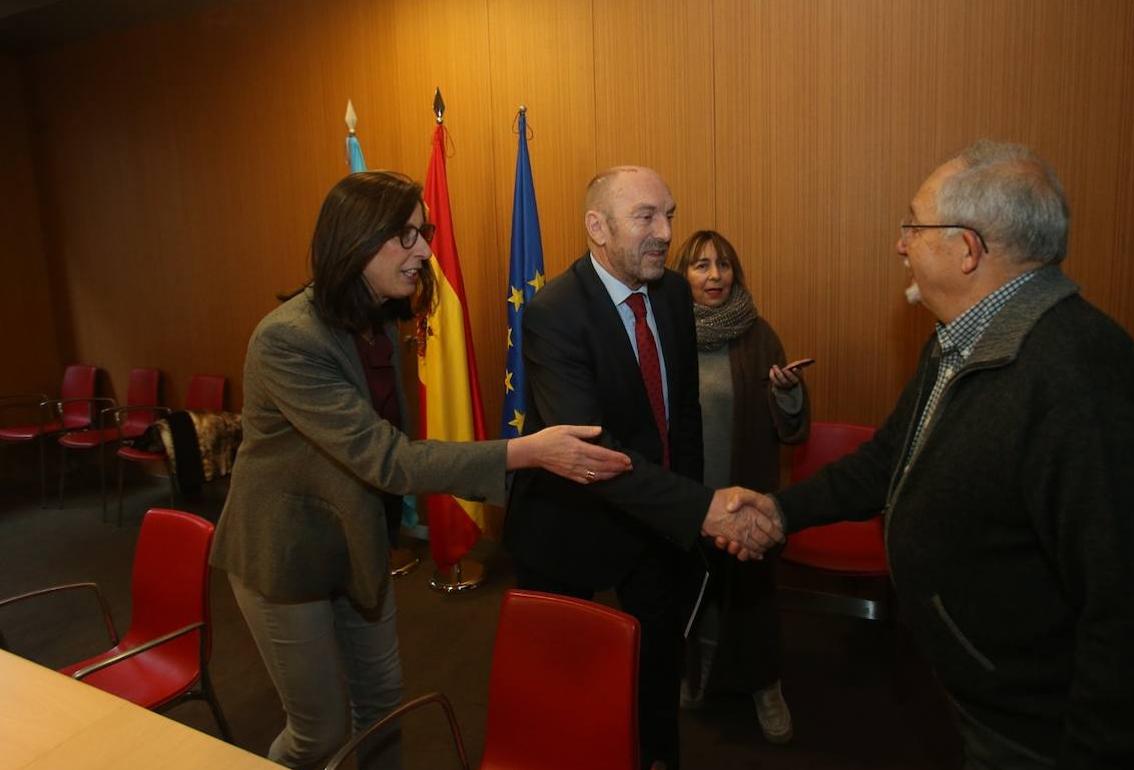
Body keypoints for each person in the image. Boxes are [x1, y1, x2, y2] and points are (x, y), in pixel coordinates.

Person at [724, 141, 1134, 769]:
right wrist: (782, 512)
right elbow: (889, 459)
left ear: (967, 249)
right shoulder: (960, 340)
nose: (901, 243)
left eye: (914, 226)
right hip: (982, 701)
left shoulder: (1082, 381)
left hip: (1042, 736)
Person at [209, 170, 636, 770]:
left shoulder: (381, 320)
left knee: (383, 710)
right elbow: (387, 457)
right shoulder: (287, 341)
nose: (426, 251)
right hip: (285, 557)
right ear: (356, 240)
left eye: (426, 232)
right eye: (406, 235)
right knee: (320, 735)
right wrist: (528, 450)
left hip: (358, 543)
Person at [504, 166, 783, 770]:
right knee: (567, 682)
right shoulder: (554, 312)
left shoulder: (674, 293)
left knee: (658, 664)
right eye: (646, 217)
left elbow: (681, 414)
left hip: (656, 521)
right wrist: (701, 509)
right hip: (569, 526)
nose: (664, 232)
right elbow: (594, 453)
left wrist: (683, 507)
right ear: (596, 228)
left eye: (669, 215)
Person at [669, 230, 809, 744]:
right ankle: (697, 675)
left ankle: (764, 686)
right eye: (700, 265)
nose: (714, 276)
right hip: (687, 497)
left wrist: (788, 395)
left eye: (723, 265)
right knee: (694, 596)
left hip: (745, 494)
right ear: (680, 275)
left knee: (750, 596)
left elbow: (789, 427)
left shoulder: (759, 334)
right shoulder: (665, 332)